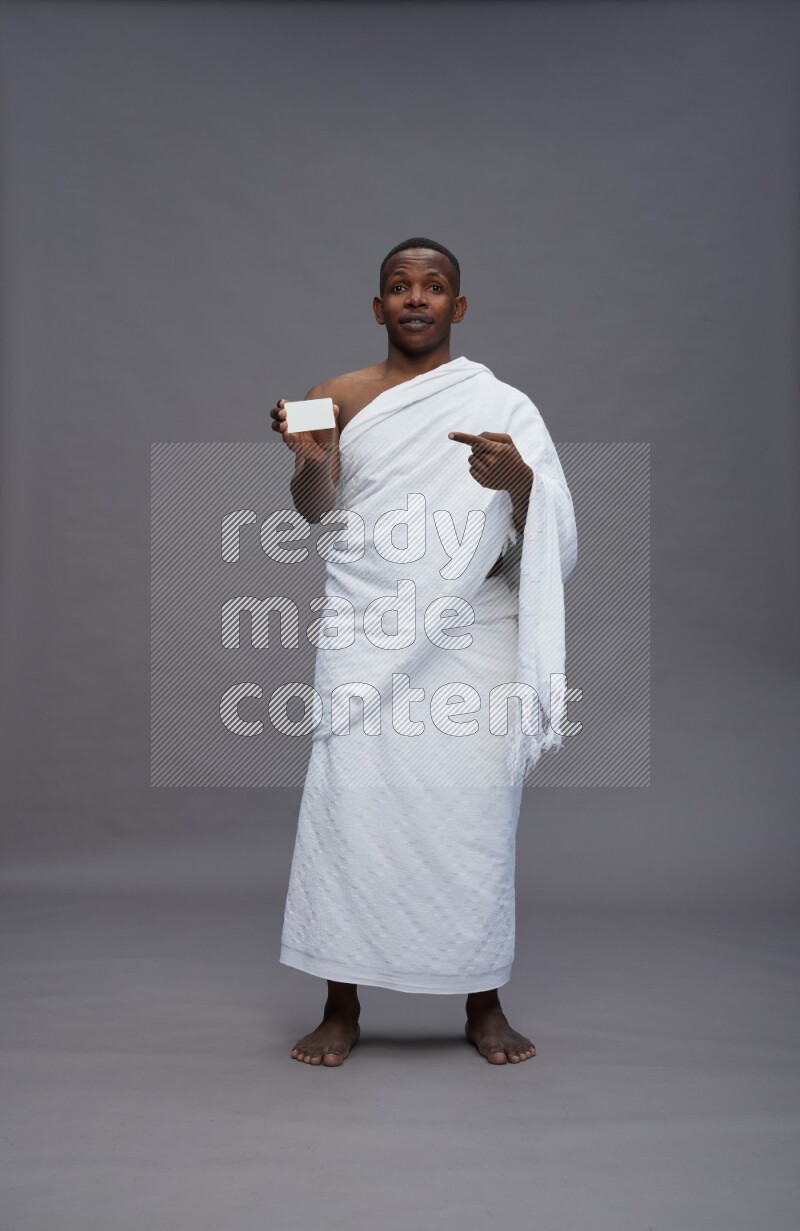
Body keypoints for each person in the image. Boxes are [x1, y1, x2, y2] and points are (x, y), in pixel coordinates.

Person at [269, 237, 577, 1066]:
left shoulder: (503, 405)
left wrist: (514, 481)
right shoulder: (334, 395)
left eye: (433, 286)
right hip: (368, 630)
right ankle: (340, 1004)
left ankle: (482, 1001)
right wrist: (310, 461)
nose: (415, 298)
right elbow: (314, 513)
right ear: (378, 307)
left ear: (458, 307)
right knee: (350, 813)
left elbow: (546, 530)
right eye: (399, 287)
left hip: (471, 638)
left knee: (473, 815)